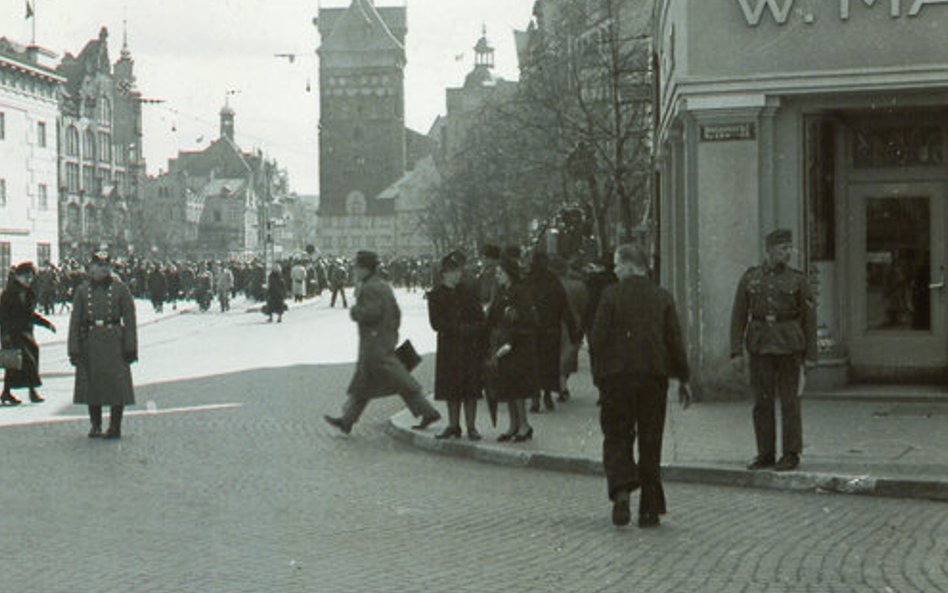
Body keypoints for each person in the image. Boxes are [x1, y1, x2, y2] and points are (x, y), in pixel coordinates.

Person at [591, 244, 691, 528]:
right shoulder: (662, 297)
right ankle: (649, 507)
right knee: (651, 439)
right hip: (652, 378)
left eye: (617, 264)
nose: (614, 270)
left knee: (617, 435)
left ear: (632, 266)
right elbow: (674, 339)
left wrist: (599, 378)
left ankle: (621, 490)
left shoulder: (610, 295)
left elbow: (597, 339)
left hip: (616, 378)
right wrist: (683, 378)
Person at [324, 250, 441, 434]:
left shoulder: (370, 288)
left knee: (401, 381)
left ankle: (428, 411)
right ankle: (347, 421)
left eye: (357, 266)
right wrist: (392, 334)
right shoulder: (382, 285)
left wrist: (355, 312)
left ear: (365, 268)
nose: (355, 270)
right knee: (364, 384)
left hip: (374, 345)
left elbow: (372, 313)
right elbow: (396, 313)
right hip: (383, 341)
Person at [730, 229, 817, 472]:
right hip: (760, 346)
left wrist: (811, 356)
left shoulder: (798, 280)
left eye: (789, 248)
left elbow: (809, 318)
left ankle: (791, 453)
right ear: (768, 251)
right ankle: (765, 453)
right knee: (762, 402)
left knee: (790, 402)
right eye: (782, 249)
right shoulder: (751, 278)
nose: (787, 253)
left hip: (789, 347)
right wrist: (736, 351)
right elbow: (738, 315)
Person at [68, 250, 138, 439]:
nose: (103, 269)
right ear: (90, 268)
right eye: (99, 265)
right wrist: (73, 349)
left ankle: (115, 426)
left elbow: (130, 319)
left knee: (117, 386)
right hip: (90, 341)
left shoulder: (120, 289)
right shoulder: (83, 290)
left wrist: (130, 347)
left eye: (106, 265)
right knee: (93, 385)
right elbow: (75, 321)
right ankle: (96, 425)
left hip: (114, 340)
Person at [427, 251, 485, 440]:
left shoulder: (468, 293)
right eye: (453, 271)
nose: (458, 274)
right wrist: (457, 329)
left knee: (470, 389)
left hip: (469, 346)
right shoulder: (435, 295)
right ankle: (453, 425)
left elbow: (479, 318)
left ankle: (471, 426)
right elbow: (435, 323)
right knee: (452, 389)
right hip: (449, 347)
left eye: (458, 271)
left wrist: (470, 329)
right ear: (444, 273)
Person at [485, 253, 539, 443]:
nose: (497, 275)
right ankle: (513, 425)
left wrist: (511, 339)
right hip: (503, 345)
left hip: (518, 346)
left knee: (518, 388)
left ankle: (524, 425)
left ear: (509, 273)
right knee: (507, 387)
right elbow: (494, 317)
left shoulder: (521, 292)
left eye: (500, 272)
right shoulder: (501, 292)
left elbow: (529, 320)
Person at [526, 252, 579, 412]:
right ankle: (547, 395)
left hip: (533, 331)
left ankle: (535, 399)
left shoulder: (528, 281)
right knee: (549, 364)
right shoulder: (553, 281)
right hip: (551, 330)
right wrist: (572, 330)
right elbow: (564, 307)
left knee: (534, 365)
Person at [1, 262, 56, 405]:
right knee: (18, 362)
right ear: (17, 276)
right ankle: (29, 392)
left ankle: (9, 393)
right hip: (13, 333)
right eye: (25, 276)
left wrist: (47, 324)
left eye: (31, 276)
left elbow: (30, 314)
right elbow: (2, 317)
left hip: (26, 332)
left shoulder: (29, 293)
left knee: (22, 362)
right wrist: (4, 335)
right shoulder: (8, 294)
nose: (28, 279)